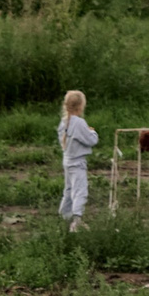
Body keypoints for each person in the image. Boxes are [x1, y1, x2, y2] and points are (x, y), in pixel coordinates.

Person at [56, 90, 96, 231]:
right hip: (77, 161)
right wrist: (92, 131)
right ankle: (77, 221)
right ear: (81, 106)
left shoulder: (64, 122)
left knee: (69, 190)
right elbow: (91, 140)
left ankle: (64, 216)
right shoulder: (79, 123)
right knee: (80, 191)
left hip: (67, 159)